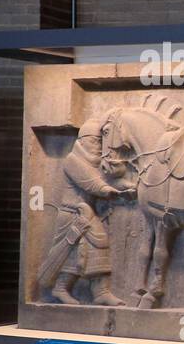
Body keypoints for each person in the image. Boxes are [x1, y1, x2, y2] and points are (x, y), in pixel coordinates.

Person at [36, 116, 134, 305]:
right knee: (69, 251)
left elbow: (106, 181)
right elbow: (93, 184)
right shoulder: (72, 161)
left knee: (96, 246)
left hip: (86, 213)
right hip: (72, 214)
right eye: (93, 141)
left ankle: (100, 292)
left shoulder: (94, 163)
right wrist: (110, 191)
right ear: (81, 142)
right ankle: (61, 288)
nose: (98, 145)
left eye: (100, 141)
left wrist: (128, 187)